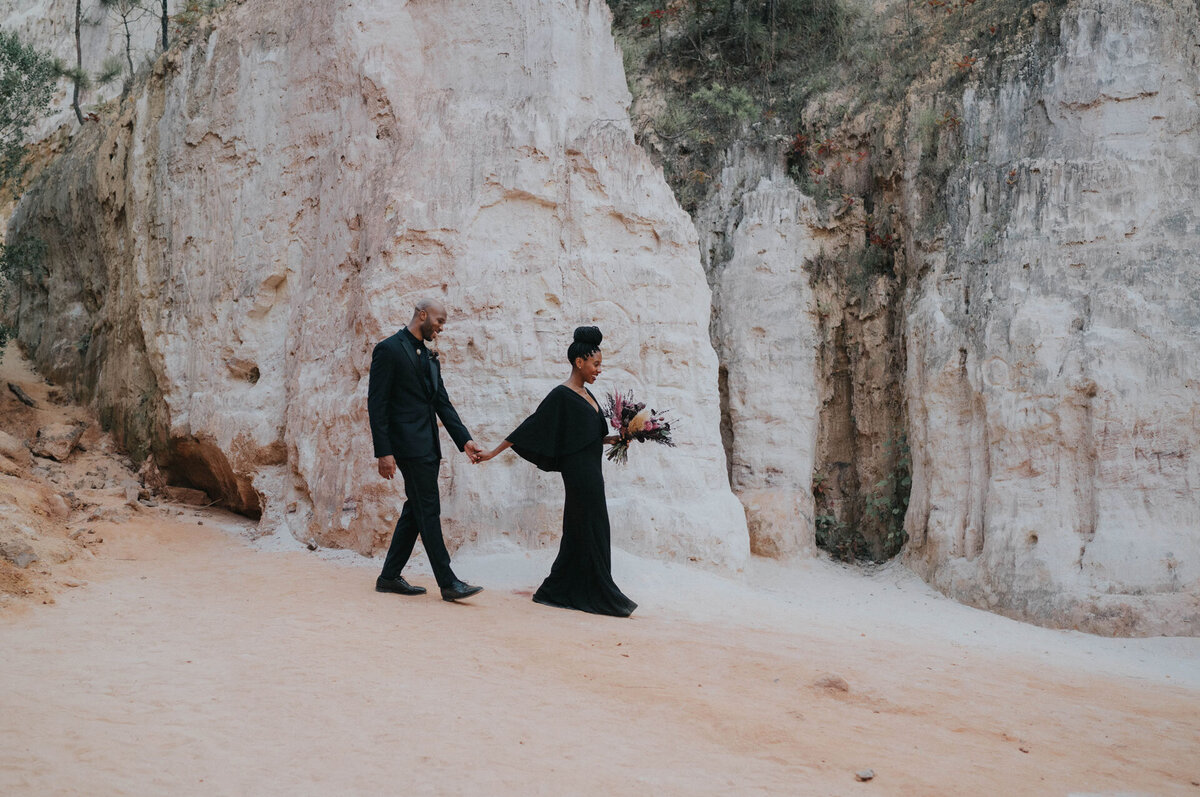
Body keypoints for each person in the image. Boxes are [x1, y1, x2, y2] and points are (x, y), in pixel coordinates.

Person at [475, 326, 637, 617]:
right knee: (590, 529)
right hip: (579, 475)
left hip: (591, 473)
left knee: (582, 530)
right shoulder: (561, 395)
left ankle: (557, 591)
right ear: (579, 362)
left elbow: (583, 436)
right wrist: (491, 453)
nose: (599, 370)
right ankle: (598, 593)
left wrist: (611, 438)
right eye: (596, 364)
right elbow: (529, 427)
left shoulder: (588, 394)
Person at [367, 298, 485, 602]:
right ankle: (448, 583)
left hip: (429, 445)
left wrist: (464, 440)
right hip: (407, 446)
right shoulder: (389, 349)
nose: (441, 328)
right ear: (423, 315)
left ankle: (389, 576)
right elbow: (377, 404)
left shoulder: (430, 356)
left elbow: (441, 402)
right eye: (440, 321)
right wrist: (384, 451)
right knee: (428, 509)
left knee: (416, 509)